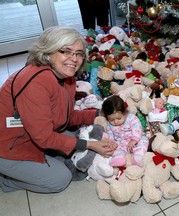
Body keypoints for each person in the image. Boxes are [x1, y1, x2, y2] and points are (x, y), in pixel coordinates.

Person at [0, 26, 115, 193]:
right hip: (8, 145)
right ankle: (6, 180)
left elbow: (65, 117)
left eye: (79, 53)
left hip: (34, 133)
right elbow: (44, 137)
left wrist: (99, 113)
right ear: (48, 53)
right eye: (66, 51)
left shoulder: (65, 76)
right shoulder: (35, 82)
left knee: (76, 137)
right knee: (60, 178)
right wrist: (90, 145)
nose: (74, 59)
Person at [101, 95, 149, 167]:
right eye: (111, 120)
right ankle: (119, 158)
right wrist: (111, 142)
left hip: (135, 140)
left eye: (119, 118)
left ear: (125, 112)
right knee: (114, 148)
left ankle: (138, 156)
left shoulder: (131, 118)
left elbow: (138, 129)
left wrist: (134, 140)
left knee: (144, 141)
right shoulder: (109, 125)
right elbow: (110, 133)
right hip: (121, 142)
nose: (116, 122)